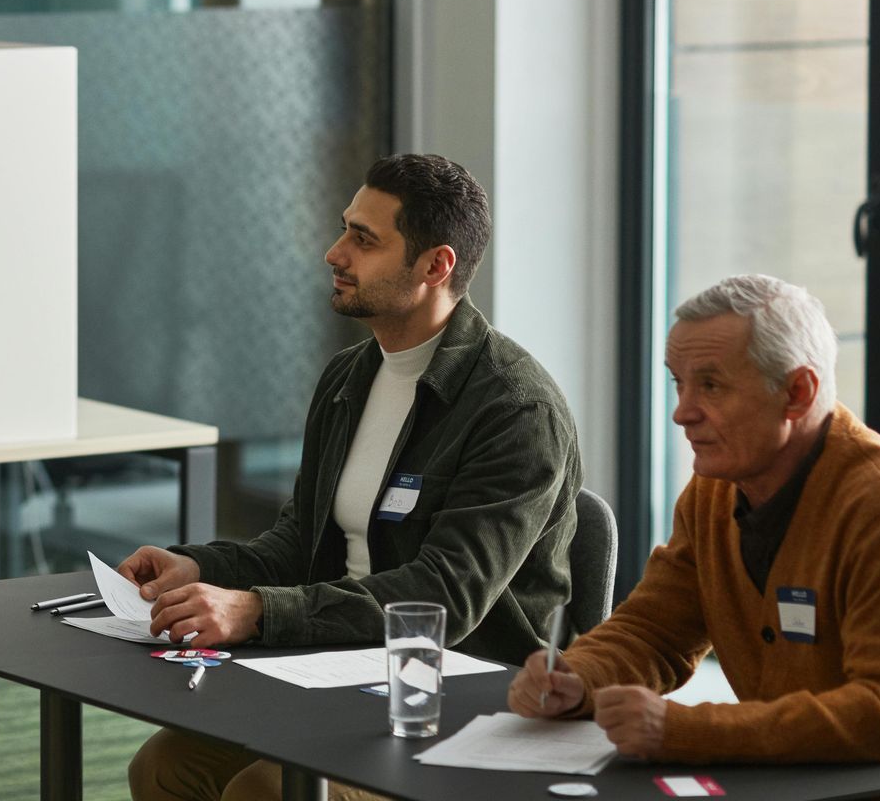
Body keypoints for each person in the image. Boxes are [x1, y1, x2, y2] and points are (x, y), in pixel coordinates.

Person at [124, 154, 582, 801]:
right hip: (343, 668)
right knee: (164, 767)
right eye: (345, 229)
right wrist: (198, 570)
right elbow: (297, 543)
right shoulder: (349, 377)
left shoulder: (514, 409)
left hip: (456, 691)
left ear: (435, 266)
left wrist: (257, 612)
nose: (334, 252)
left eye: (363, 240)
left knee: (267, 791)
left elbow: (443, 597)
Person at [509, 274, 880, 765]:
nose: (682, 413)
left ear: (798, 392)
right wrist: (576, 676)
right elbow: (655, 631)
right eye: (679, 383)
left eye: (711, 386)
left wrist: (684, 731)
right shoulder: (714, 489)